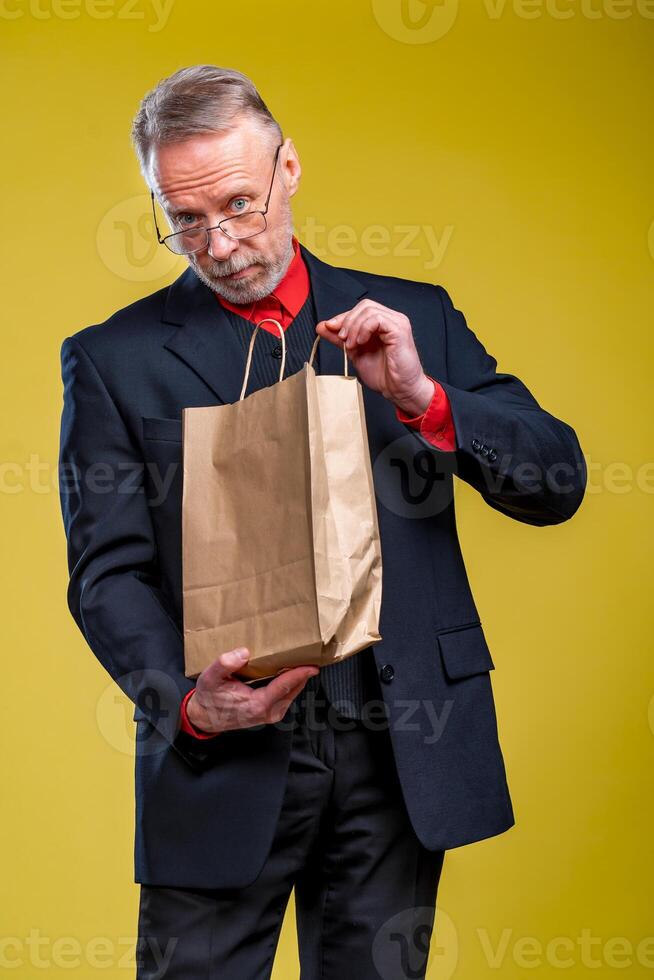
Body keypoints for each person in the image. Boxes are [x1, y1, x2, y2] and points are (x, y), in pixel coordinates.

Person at [57, 64, 586, 980]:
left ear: (288, 168)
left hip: (399, 745)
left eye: (238, 203)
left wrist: (427, 396)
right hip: (222, 749)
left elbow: (557, 479)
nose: (218, 244)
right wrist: (191, 705)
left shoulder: (414, 316)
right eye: (183, 219)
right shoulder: (113, 360)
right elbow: (107, 574)